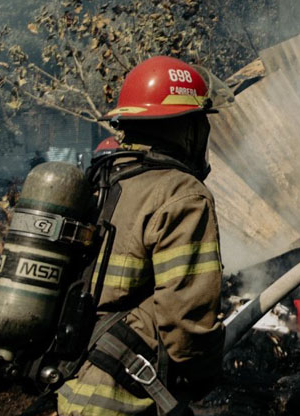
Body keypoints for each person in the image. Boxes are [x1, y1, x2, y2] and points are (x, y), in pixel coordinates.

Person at [57, 56, 224, 416]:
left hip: (70, 384)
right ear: (189, 129)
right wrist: (204, 377)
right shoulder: (182, 194)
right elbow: (187, 322)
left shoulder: (101, 180)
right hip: (125, 396)